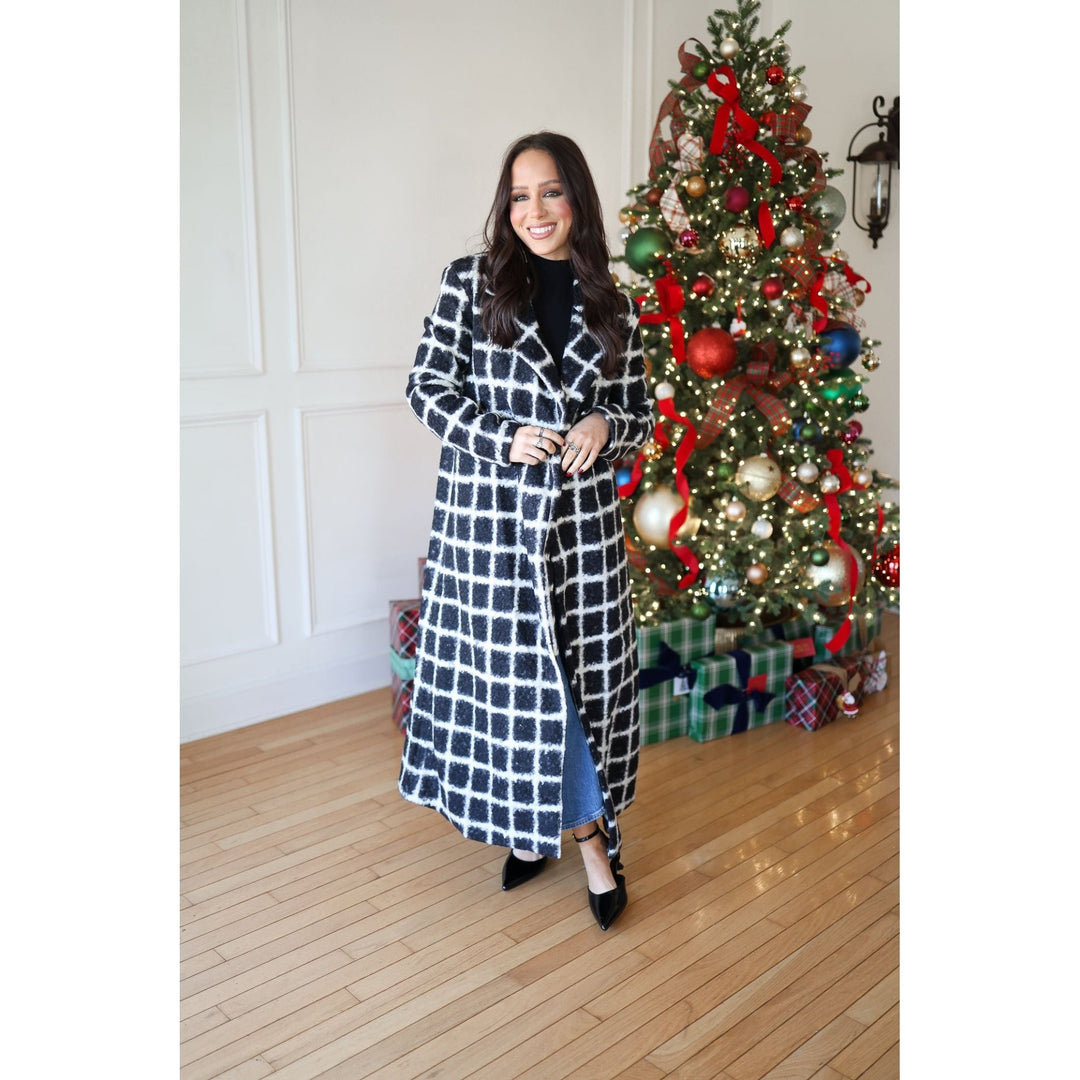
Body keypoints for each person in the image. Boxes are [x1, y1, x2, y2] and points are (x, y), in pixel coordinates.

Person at [398, 132, 653, 931]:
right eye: (518, 196)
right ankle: (570, 842)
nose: (533, 211)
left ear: (577, 198)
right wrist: (499, 438)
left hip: (580, 536)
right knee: (516, 697)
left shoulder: (613, 296)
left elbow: (640, 410)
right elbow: (426, 387)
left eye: (549, 193)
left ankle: (575, 837)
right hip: (492, 532)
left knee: (576, 690)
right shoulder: (469, 283)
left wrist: (605, 424)